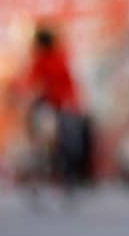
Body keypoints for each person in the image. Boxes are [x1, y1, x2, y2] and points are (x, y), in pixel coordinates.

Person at [20, 27, 91, 186]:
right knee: (64, 137)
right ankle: (61, 166)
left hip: (61, 102)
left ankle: (62, 167)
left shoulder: (53, 58)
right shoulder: (54, 57)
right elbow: (30, 80)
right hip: (58, 102)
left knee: (64, 137)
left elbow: (31, 80)